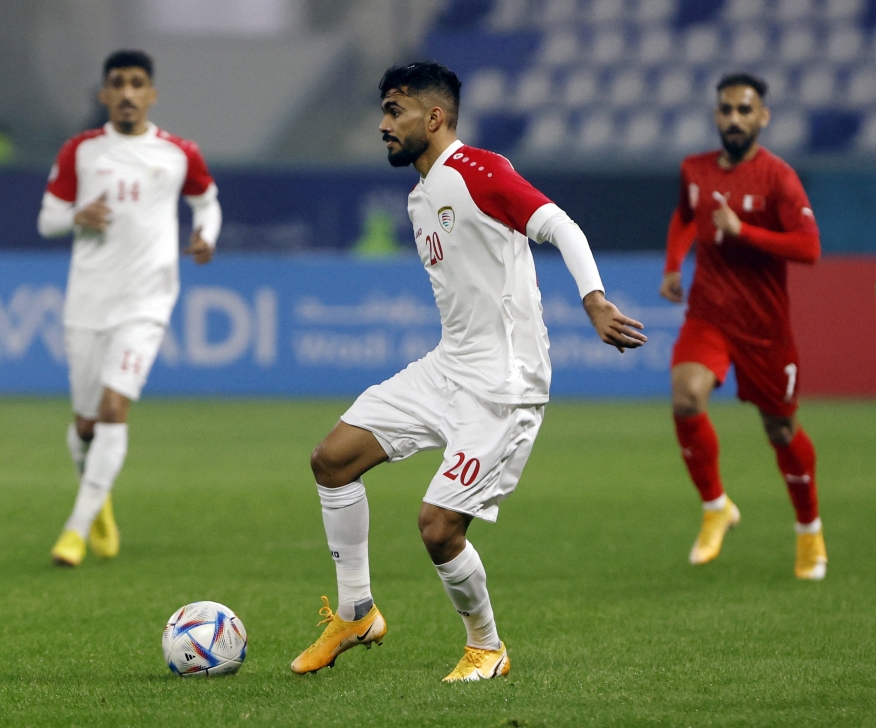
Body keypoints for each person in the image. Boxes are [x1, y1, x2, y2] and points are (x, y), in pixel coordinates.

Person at [290, 61, 647, 682]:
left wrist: (593, 299)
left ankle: (487, 646)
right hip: (448, 368)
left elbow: (559, 224)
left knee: (438, 527)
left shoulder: (479, 170)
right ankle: (356, 611)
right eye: (383, 111)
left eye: (394, 111)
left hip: (503, 386)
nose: (383, 125)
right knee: (332, 459)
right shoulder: (420, 196)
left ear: (434, 117)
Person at [37, 49, 221, 567]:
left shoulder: (178, 152)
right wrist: (77, 214)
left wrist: (207, 234)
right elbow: (47, 219)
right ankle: (99, 502)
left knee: (116, 410)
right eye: (117, 83)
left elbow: (206, 199)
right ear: (104, 94)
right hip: (89, 300)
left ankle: (74, 530)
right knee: (86, 426)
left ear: (151, 94)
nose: (126, 93)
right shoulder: (82, 150)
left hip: (148, 298)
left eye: (136, 83)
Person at [660, 72, 825, 579]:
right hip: (710, 314)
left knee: (780, 428)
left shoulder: (778, 177)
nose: (734, 118)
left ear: (762, 117)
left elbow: (809, 248)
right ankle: (716, 508)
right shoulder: (696, 169)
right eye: (726, 109)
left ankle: (809, 532)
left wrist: (744, 230)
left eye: (744, 110)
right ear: (716, 115)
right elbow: (686, 214)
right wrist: (674, 264)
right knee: (686, 398)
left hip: (765, 327)